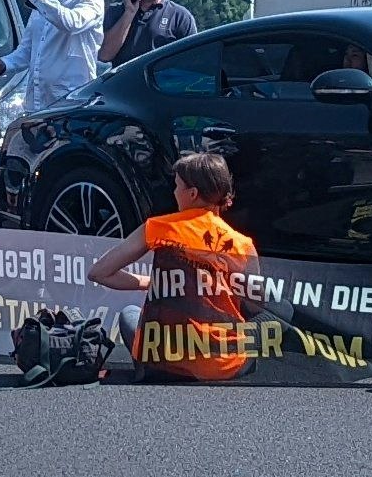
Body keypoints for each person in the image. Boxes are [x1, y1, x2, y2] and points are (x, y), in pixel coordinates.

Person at [93, 150, 259, 381]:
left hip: (166, 360)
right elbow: (253, 306)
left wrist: (148, 283)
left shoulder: (159, 228)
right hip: (225, 365)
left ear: (192, 193)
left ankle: (150, 370)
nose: (174, 192)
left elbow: (100, 273)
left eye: (177, 186)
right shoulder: (244, 245)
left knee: (129, 314)